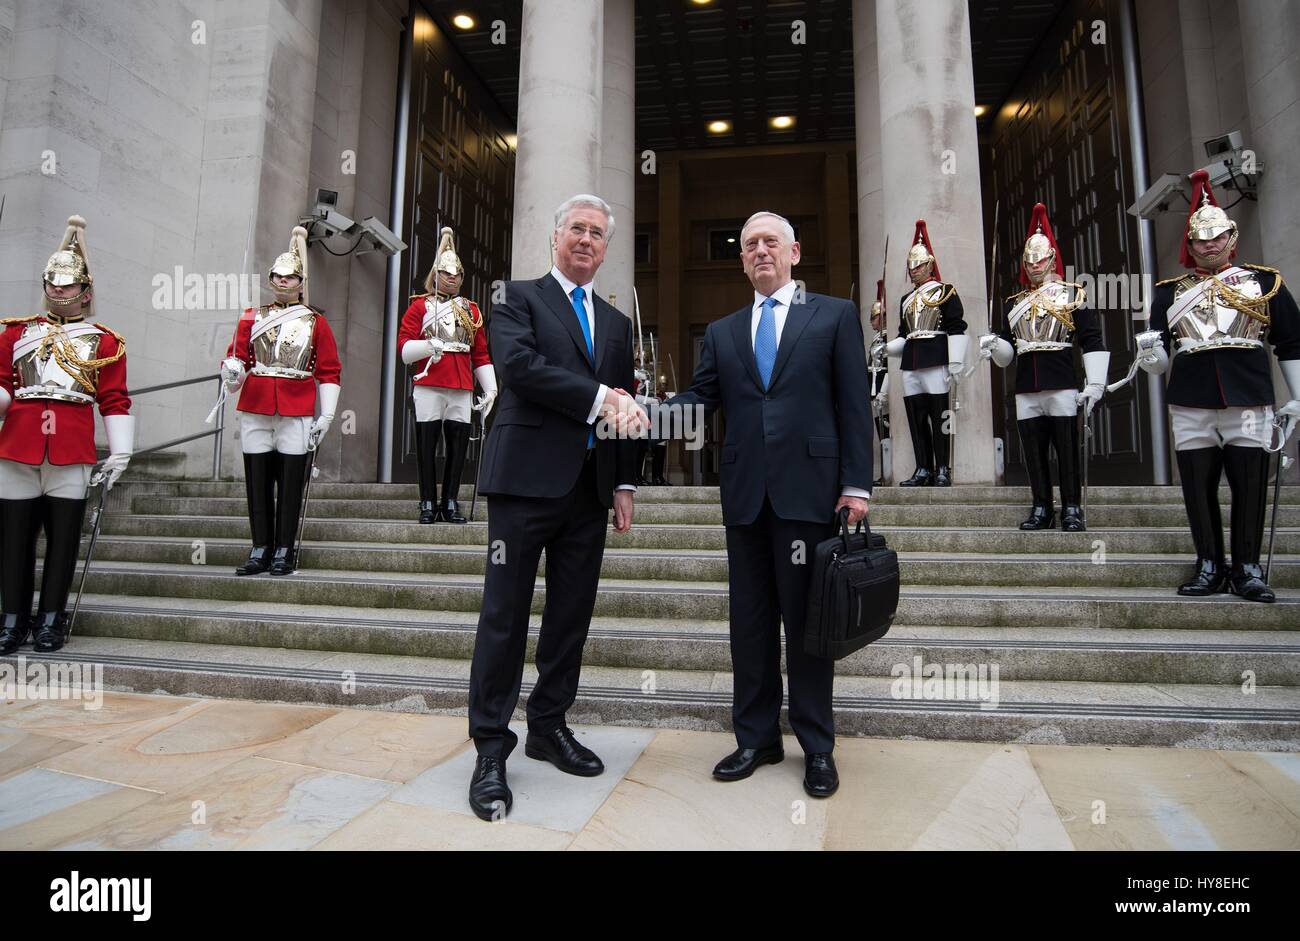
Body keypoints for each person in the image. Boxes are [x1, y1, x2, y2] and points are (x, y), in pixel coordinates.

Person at [666, 210, 872, 798]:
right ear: (741, 260)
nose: (760, 251)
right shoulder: (725, 330)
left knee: (809, 626)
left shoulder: (832, 316)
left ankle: (817, 746)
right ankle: (755, 738)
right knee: (750, 625)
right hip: (744, 499)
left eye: (770, 242)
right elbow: (700, 401)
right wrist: (641, 411)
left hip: (809, 496)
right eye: (749, 244)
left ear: (794, 253)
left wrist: (857, 485)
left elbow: (854, 405)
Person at [465, 194, 641, 821]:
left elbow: (621, 409)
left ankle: (548, 724)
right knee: (505, 617)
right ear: (555, 236)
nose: (587, 240)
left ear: (606, 246)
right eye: (577, 229)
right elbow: (519, 367)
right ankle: (490, 747)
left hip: (588, 492)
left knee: (570, 616)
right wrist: (599, 396)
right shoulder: (514, 296)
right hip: (523, 485)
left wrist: (622, 484)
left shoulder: (617, 324)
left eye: (598, 232)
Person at [1137, 169, 1300, 602]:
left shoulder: (1265, 282)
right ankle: (1208, 563)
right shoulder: (1169, 293)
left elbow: (1290, 343)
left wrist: (1298, 398)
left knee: (1249, 486)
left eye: (1216, 237)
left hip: (1247, 396)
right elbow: (1159, 357)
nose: (1208, 245)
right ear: (1188, 245)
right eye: (1200, 240)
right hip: (1191, 399)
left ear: (1232, 237)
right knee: (1197, 486)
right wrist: (1151, 356)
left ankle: (1247, 567)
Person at [0, 216, 134, 654]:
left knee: (62, 544)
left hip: (70, 452)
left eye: (68, 285)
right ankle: (12, 618)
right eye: (52, 284)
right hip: (18, 448)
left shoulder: (106, 341)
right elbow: (5, 386)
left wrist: (121, 451)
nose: (58, 291)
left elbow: (114, 400)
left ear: (86, 291)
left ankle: (51, 619)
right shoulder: (15, 332)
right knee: (13, 541)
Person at [219, 225, 342, 577]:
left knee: (290, 483)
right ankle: (260, 546)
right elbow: (238, 360)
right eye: (278, 276)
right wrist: (230, 372)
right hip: (256, 404)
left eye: (290, 277)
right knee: (257, 481)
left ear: (301, 282)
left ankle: (285, 548)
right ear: (271, 279)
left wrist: (327, 415)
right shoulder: (250, 317)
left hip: (296, 405)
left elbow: (329, 371)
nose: (283, 282)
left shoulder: (315, 321)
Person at [978, 203, 1109, 531]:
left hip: (1062, 379)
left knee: (1066, 448)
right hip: (1026, 383)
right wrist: (995, 345)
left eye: (1041, 259)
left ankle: (1071, 507)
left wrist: (1095, 383)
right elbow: (1009, 355)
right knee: (1033, 452)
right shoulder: (1013, 303)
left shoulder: (1072, 294)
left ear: (1052, 259)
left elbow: (1091, 339)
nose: (1035, 266)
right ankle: (1041, 506)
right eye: (1030, 261)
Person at [398, 226, 496, 523]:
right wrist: (428, 346)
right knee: (426, 446)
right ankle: (427, 501)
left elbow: (479, 353)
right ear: (436, 275)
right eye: (446, 273)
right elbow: (403, 348)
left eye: (457, 274)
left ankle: (450, 500)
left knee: (458, 447)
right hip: (429, 382)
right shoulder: (419, 306)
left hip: (461, 385)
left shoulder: (472, 310)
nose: (452, 278)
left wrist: (490, 388)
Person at [885, 220, 967, 486]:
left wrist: (955, 361)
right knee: (916, 417)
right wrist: (886, 348)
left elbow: (956, 326)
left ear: (930, 264)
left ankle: (943, 467)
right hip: (911, 361)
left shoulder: (946, 292)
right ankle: (923, 467)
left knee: (941, 416)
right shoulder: (905, 300)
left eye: (918, 265)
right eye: (911, 266)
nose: (914, 270)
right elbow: (903, 333)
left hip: (935, 357)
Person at [868, 280, 891, 485]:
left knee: (887, 433)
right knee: (880, 434)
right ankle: (884, 472)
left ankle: (889, 473)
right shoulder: (877, 339)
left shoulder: (887, 339)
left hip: (883, 388)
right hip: (874, 390)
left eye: (874, 317)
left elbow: (890, 368)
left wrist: (883, 392)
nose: (871, 321)